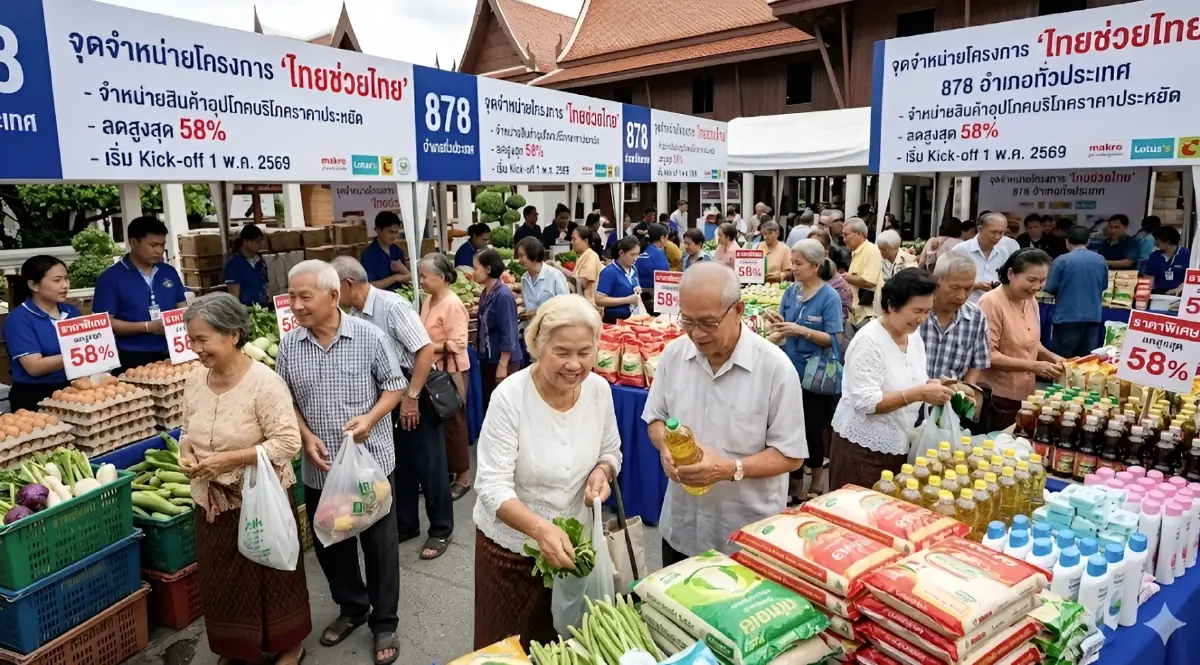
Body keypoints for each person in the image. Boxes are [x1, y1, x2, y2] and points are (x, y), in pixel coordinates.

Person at [274, 260, 405, 665]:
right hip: (321, 467)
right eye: (291, 297)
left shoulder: (370, 336)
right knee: (333, 546)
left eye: (304, 296)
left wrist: (370, 418)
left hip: (371, 466)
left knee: (379, 548)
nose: (295, 306)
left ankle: (384, 622)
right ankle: (353, 607)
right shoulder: (289, 346)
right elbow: (287, 402)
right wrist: (306, 435)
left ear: (333, 296)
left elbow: (394, 386)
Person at [472, 295, 620, 650]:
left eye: (585, 352)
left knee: (568, 647)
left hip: (574, 551)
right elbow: (492, 486)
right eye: (562, 352)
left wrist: (603, 471)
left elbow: (611, 450)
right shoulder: (510, 397)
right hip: (513, 554)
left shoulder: (599, 390)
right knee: (509, 647)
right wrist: (539, 529)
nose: (574, 364)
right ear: (538, 346)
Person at [644, 262, 806, 563]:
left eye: (708, 323)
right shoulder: (674, 355)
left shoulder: (775, 368)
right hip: (682, 526)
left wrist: (730, 468)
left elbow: (791, 455)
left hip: (746, 536)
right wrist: (666, 448)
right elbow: (655, 418)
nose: (697, 334)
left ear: (739, 309)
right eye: (688, 322)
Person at [178, 293, 309, 665]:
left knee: (272, 574)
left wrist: (231, 458)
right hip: (212, 503)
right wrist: (186, 453)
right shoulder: (193, 382)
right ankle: (238, 648)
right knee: (224, 581)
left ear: (232, 335)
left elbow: (287, 443)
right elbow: (187, 431)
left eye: (203, 339)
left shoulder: (264, 384)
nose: (196, 349)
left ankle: (289, 645)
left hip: (258, 499)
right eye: (192, 340)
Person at [332, 257, 452, 562]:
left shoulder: (391, 305)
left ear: (347, 284)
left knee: (429, 464)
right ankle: (407, 523)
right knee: (400, 464)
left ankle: (441, 528)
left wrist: (411, 397)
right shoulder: (354, 314)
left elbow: (424, 349)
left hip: (415, 391)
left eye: (333, 288)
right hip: (386, 398)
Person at [830, 270, 956, 489]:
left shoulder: (914, 336)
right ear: (891, 305)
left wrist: (933, 386)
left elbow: (914, 378)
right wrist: (918, 394)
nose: (922, 319)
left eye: (927, 311)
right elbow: (867, 403)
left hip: (899, 445)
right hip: (862, 450)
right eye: (916, 311)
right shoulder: (869, 342)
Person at [766, 240, 843, 501]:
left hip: (816, 376)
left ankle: (817, 480)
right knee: (789, 428)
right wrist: (777, 326)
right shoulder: (790, 292)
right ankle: (794, 485)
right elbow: (784, 327)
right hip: (789, 371)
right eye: (793, 263)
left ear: (815, 266)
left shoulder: (829, 297)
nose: (793, 268)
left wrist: (801, 330)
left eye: (798, 264)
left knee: (812, 428)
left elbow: (834, 340)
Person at [976, 249, 1064, 432]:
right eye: (1031, 280)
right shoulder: (991, 303)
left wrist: (1054, 358)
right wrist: (1035, 366)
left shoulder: (1030, 301)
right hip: (998, 398)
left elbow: (1032, 343)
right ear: (1010, 274)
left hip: (1025, 395)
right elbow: (988, 356)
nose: (1036, 287)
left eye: (1042, 281)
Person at [93, 216, 188, 372]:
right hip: (133, 355)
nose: (159, 250)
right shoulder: (110, 278)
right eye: (153, 245)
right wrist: (147, 327)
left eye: (162, 244)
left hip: (174, 351)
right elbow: (105, 323)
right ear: (133, 242)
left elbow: (181, 308)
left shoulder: (168, 272)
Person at [418, 254, 473, 502]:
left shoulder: (452, 304)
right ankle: (446, 472)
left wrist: (428, 347)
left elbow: (459, 343)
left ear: (440, 277)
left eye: (424, 277)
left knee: (454, 424)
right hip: (433, 370)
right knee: (439, 423)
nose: (421, 281)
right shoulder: (429, 300)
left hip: (450, 372)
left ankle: (463, 478)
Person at [4, 256, 81, 411]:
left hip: (73, 390)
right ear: (33, 285)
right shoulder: (19, 319)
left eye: (66, 279)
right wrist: (79, 354)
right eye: (57, 280)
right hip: (35, 397)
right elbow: (34, 366)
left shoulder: (71, 312)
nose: (65, 285)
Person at [920, 253, 991, 387]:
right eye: (955, 288)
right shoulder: (916, 312)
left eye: (968, 288)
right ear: (936, 281)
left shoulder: (976, 317)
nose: (961, 296)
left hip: (951, 401)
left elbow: (976, 365)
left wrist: (967, 391)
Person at [1044, 227, 1111, 359]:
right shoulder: (1100, 260)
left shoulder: (1062, 260)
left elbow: (1050, 287)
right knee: (1085, 362)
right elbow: (1104, 286)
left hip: (1067, 317)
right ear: (1088, 241)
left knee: (1063, 361)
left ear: (1067, 242)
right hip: (1093, 317)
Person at [474, 248, 523, 409]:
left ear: (488, 269)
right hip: (489, 357)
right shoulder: (486, 293)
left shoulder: (503, 296)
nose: (473, 272)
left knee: (504, 406)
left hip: (503, 360)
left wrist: (503, 365)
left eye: (476, 268)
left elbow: (508, 332)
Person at [951, 212, 1014, 304]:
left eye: (1001, 233)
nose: (997, 237)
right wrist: (976, 286)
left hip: (994, 306)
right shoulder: (961, 250)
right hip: (965, 306)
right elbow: (949, 281)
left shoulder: (1003, 252)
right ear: (979, 229)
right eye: (993, 232)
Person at [843, 218, 883, 328]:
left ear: (859, 234)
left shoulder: (871, 250)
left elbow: (869, 281)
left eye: (846, 235)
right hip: (857, 312)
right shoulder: (856, 252)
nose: (844, 239)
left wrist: (844, 277)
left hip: (867, 314)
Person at [516, 237, 569, 320]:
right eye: (518, 256)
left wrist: (538, 312)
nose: (519, 260)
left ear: (534, 255)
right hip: (532, 328)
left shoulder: (555, 276)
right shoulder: (524, 279)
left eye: (522, 256)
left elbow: (565, 306)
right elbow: (528, 306)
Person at [596, 236, 642, 324]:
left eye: (638, 254)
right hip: (614, 321)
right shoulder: (609, 272)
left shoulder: (634, 269)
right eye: (632, 255)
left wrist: (637, 289)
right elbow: (599, 300)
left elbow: (633, 284)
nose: (636, 258)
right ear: (621, 253)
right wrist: (626, 300)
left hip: (633, 318)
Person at [360, 211, 411, 288]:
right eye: (391, 232)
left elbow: (411, 280)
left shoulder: (397, 251)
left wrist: (403, 269)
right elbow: (369, 286)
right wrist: (394, 278)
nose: (394, 236)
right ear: (378, 230)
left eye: (396, 232)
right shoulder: (368, 254)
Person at [224, 225, 270, 306]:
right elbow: (234, 296)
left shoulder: (260, 262)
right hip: (246, 310)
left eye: (260, 241)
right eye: (257, 241)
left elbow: (265, 285)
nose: (259, 244)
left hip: (264, 307)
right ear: (245, 241)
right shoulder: (233, 264)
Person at [1141, 226, 1190, 295]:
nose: (1155, 242)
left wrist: (1180, 289)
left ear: (1167, 241)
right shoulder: (1154, 256)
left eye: (1157, 239)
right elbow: (1148, 277)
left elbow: (1191, 278)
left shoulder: (1187, 255)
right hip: (1158, 294)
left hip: (1179, 294)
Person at [560, 227, 602, 305]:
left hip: (588, 306)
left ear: (585, 241)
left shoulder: (591, 256)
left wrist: (559, 269)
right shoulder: (583, 255)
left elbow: (582, 284)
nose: (572, 242)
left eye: (574, 239)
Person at [635, 224, 671, 313]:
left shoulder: (640, 255)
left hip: (638, 300)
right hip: (656, 302)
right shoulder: (660, 257)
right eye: (667, 237)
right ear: (662, 238)